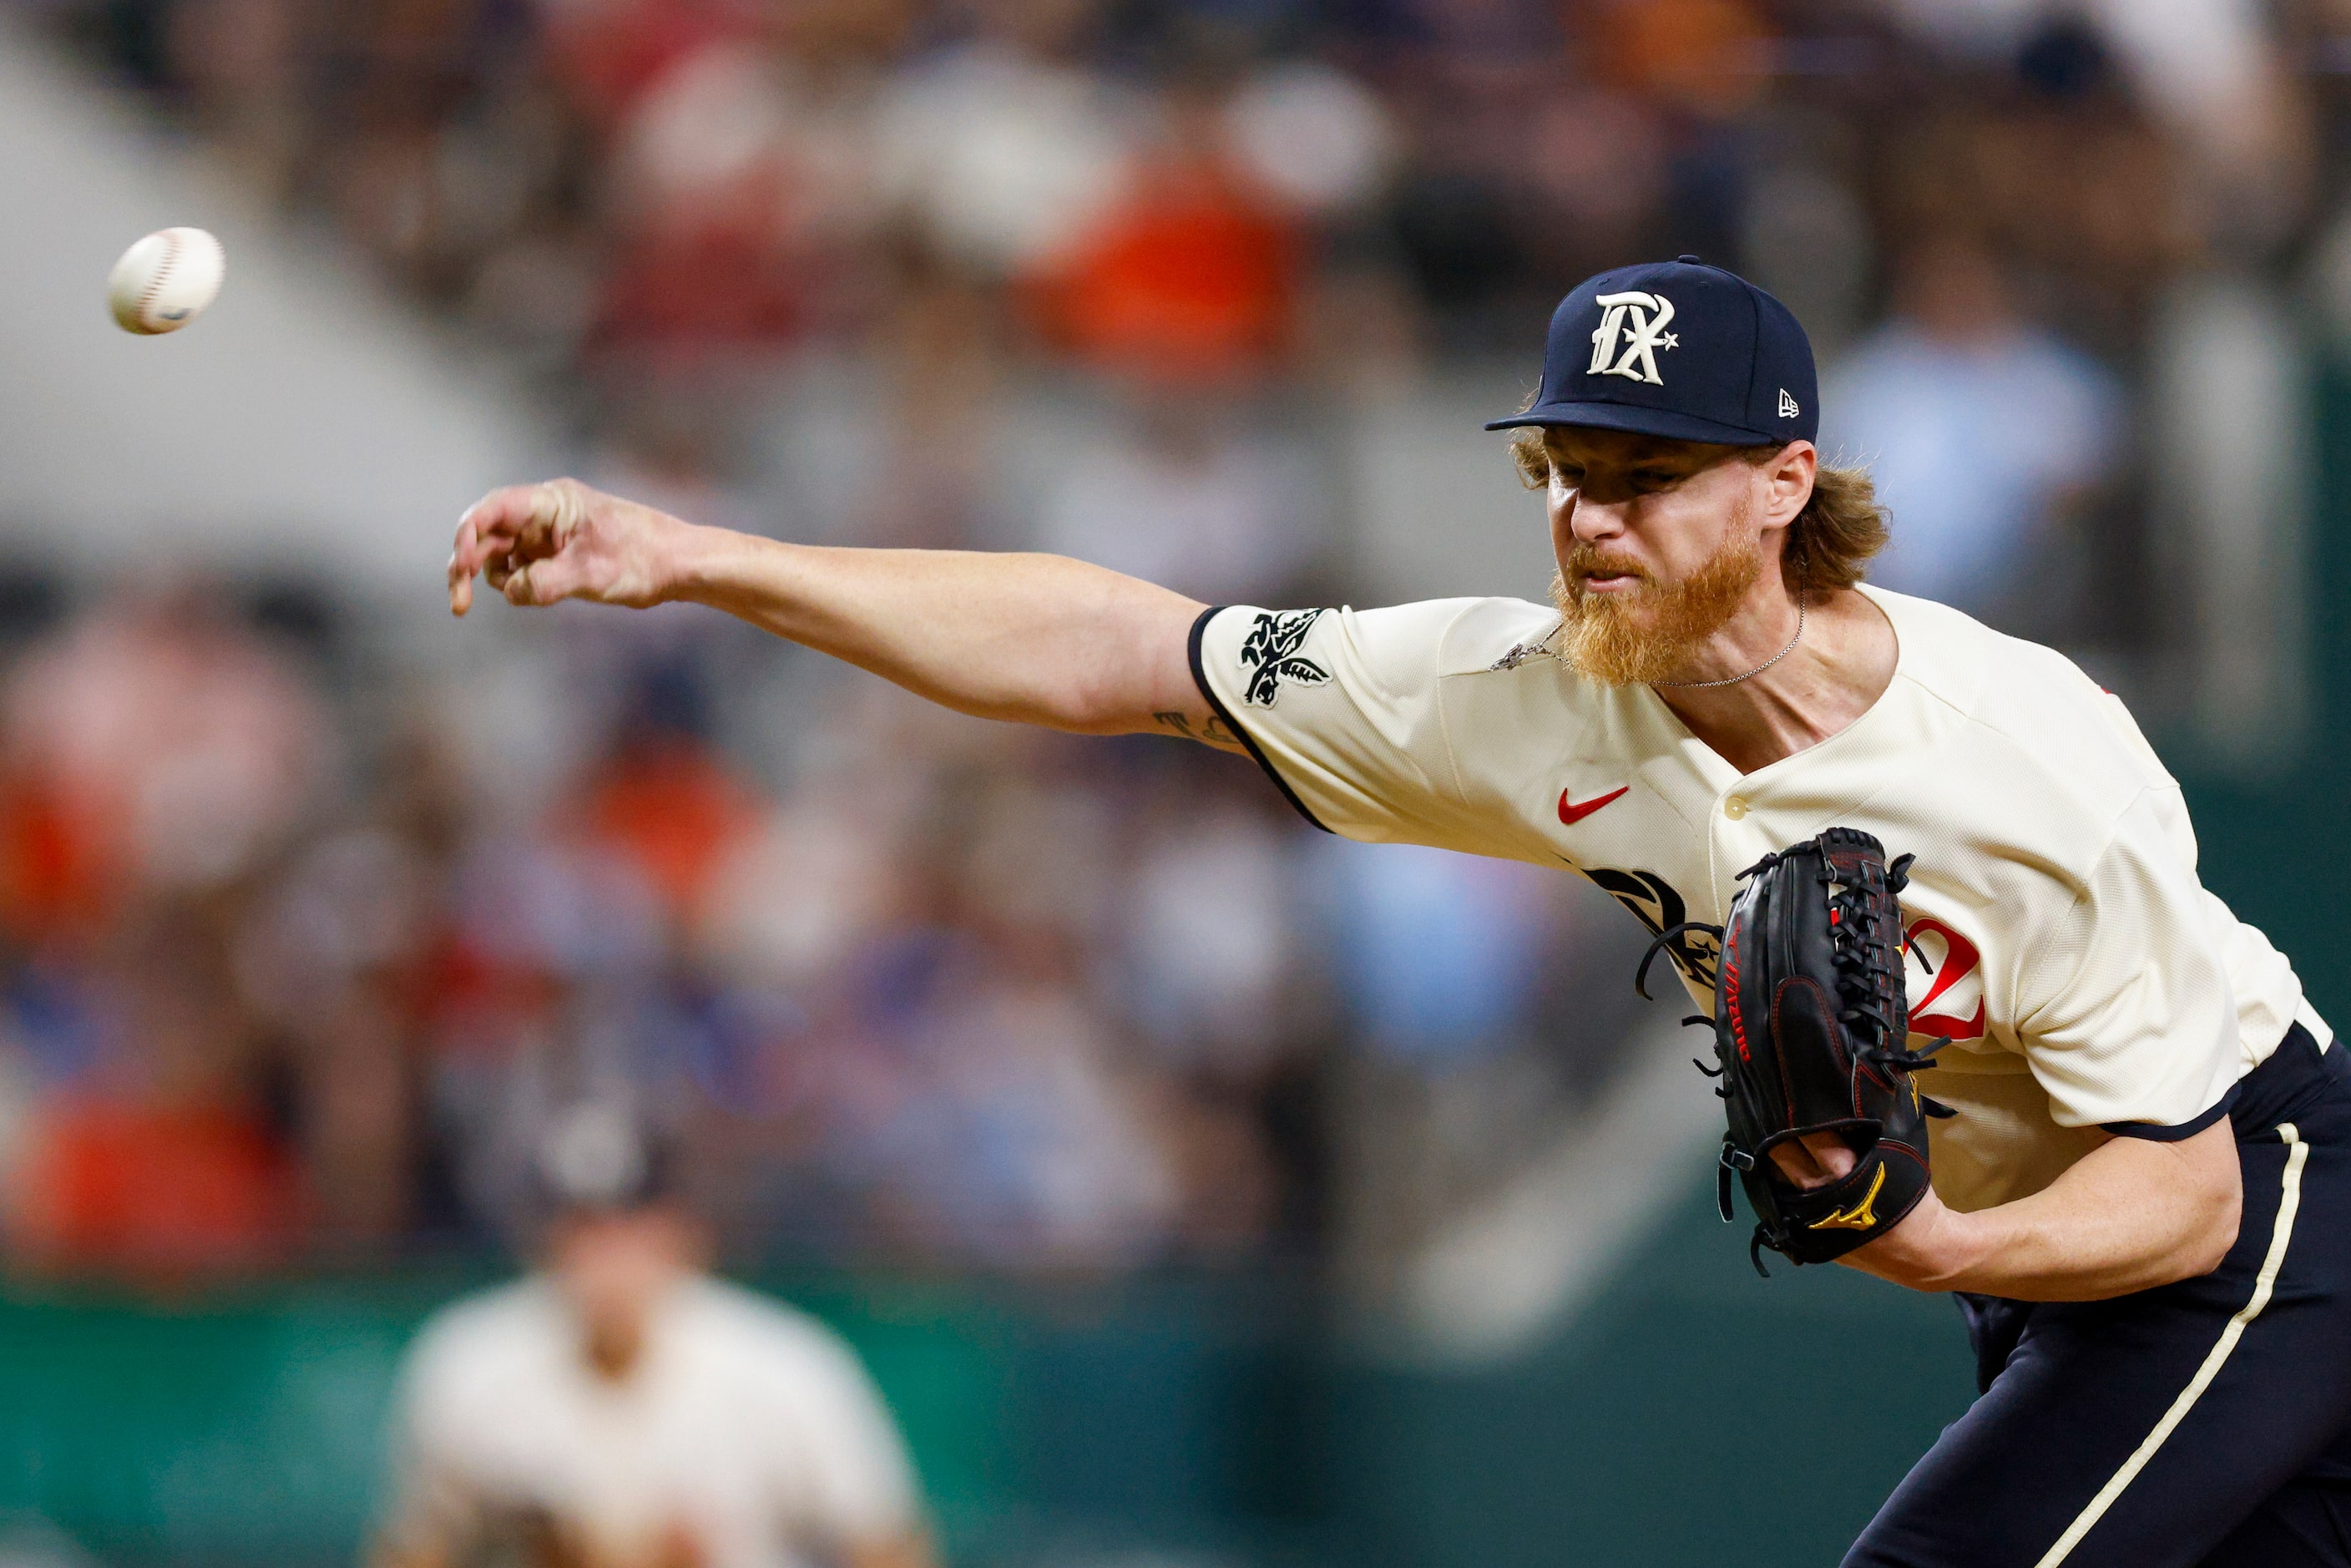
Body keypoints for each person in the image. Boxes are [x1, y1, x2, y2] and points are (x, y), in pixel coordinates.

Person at [445, 256, 2351, 1565]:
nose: (1585, 519)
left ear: (1784, 485)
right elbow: (1117, 646)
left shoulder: (2025, 764)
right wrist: (696, 557)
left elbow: (2187, 1192)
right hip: (2045, 1251)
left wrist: (1928, 1245)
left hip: (2251, 1213)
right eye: (1560, 470)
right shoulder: (1528, 694)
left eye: (1642, 475)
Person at [370, 1101, 933, 1568]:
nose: (607, 1259)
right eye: (583, 1228)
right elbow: (413, 1549)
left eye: (630, 1228)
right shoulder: (470, 1359)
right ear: (541, 1239)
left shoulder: (782, 1363)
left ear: (684, 1234)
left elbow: (887, 1545)